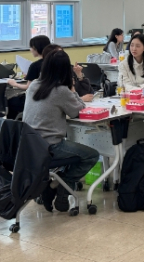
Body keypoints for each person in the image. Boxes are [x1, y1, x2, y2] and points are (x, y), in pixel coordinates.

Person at [22, 49, 99, 213]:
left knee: (74, 152)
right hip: (50, 146)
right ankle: (62, 186)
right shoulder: (60, 91)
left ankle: (54, 185)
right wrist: (73, 89)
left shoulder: (34, 85)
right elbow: (79, 110)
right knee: (91, 155)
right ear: (65, 70)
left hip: (28, 146)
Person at [7, 35, 51, 119]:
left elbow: (29, 87)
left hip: (35, 99)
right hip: (50, 98)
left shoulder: (35, 66)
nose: (30, 50)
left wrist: (15, 84)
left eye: (31, 47)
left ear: (36, 48)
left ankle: (13, 126)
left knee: (11, 102)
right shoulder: (53, 62)